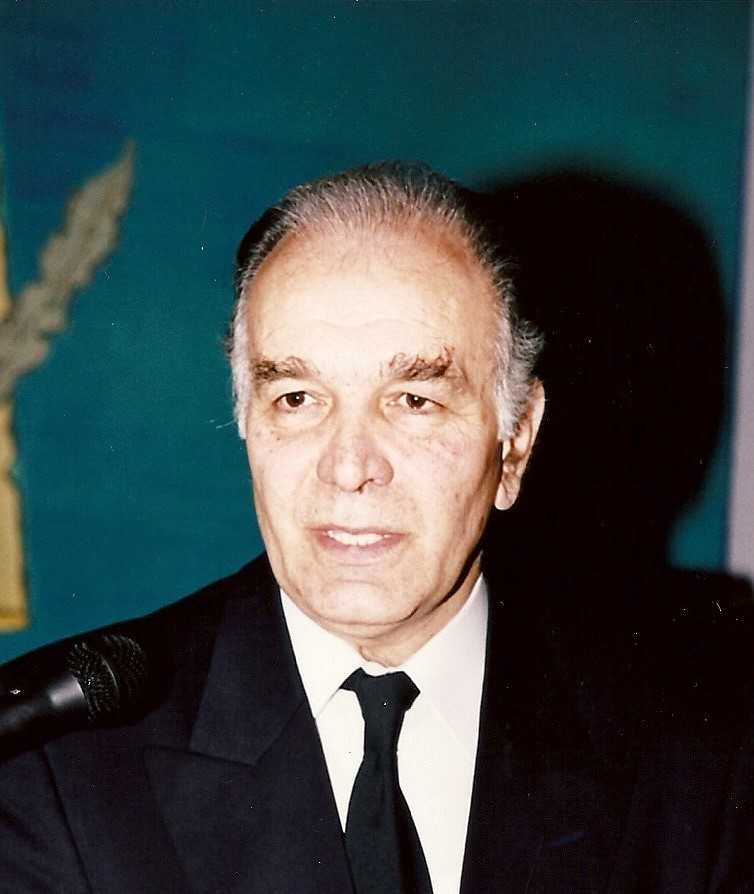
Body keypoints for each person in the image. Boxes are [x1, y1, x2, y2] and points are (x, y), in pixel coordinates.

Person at [0, 163, 752, 893]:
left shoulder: (696, 761)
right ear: (247, 423)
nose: (349, 467)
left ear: (517, 439)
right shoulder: (60, 767)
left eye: (414, 401)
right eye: (297, 399)